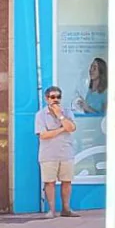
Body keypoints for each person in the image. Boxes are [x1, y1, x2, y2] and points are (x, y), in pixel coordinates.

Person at [35, 85, 78, 218]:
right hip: (48, 154)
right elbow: (43, 135)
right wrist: (61, 129)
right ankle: (52, 210)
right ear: (47, 98)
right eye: (52, 97)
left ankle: (66, 209)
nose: (56, 100)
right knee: (49, 182)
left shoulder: (67, 112)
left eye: (58, 97)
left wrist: (60, 115)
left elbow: (71, 127)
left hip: (66, 152)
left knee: (67, 181)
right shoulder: (40, 115)